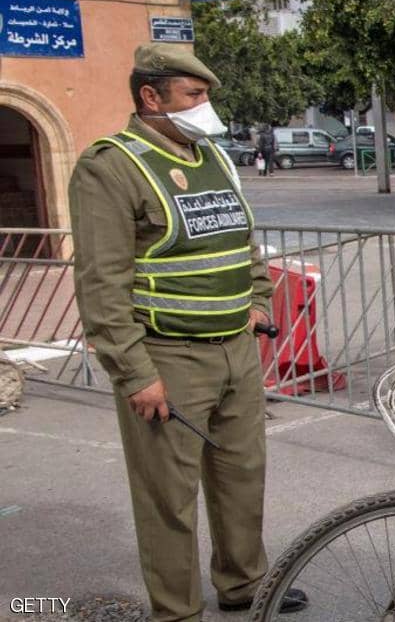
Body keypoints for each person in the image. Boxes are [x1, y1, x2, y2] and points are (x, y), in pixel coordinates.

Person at [68, 43, 307, 621]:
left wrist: (257, 301)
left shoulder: (214, 158)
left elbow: (243, 243)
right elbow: (101, 283)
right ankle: (177, 610)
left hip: (235, 350)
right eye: (193, 95)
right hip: (166, 358)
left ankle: (244, 582)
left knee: (241, 475)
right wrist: (135, 374)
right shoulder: (111, 166)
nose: (206, 108)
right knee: (168, 498)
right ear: (151, 97)